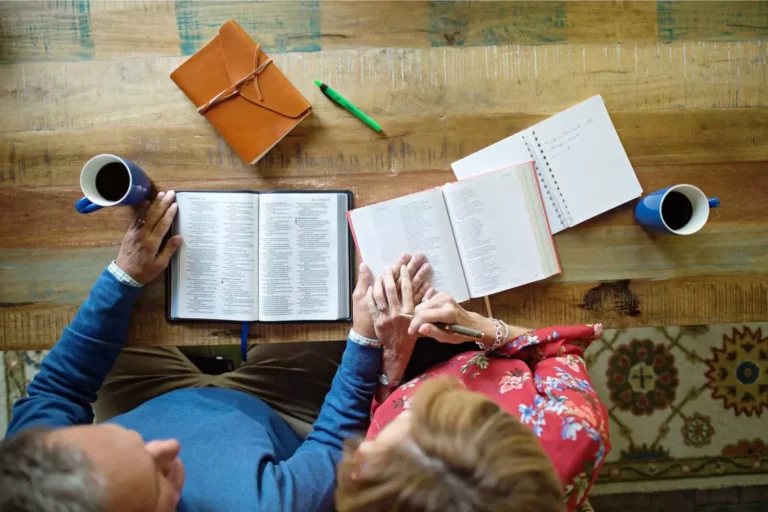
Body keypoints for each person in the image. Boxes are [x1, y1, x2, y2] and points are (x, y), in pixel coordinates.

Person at [0, 190, 432, 512]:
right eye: (157, 479)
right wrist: (363, 340)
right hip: (279, 415)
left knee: (115, 318)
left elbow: (59, 389)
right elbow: (331, 444)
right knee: (336, 321)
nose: (168, 447)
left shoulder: (36, 461)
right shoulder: (265, 507)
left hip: (151, 396)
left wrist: (124, 276)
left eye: (122, 436)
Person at [335, 267, 610, 512]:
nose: (407, 409)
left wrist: (393, 358)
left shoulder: (373, 480)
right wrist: (483, 328)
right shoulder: (575, 431)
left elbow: (382, 414)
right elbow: (560, 352)